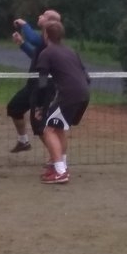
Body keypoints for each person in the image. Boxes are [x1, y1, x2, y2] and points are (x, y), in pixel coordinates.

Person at [34, 20, 90, 184]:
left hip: (69, 95)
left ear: (46, 35)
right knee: (58, 128)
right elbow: (86, 77)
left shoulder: (46, 53)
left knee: (48, 130)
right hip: (84, 94)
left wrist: (40, 107)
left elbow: (42, 84)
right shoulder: (72, 51)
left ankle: (60, 172)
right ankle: (60, 166)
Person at [7, 9, 61, 152]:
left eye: (44, 15)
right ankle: (23, 141)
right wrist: (21, 44)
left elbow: (33, 39)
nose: (40, 16)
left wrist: (24, 24)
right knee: (14, 108)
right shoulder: (43, 40)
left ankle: (57, 159)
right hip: (33, 84)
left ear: (50, 22)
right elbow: (35, 55)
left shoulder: (50, 39)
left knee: (39, 125)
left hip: (44, 85)